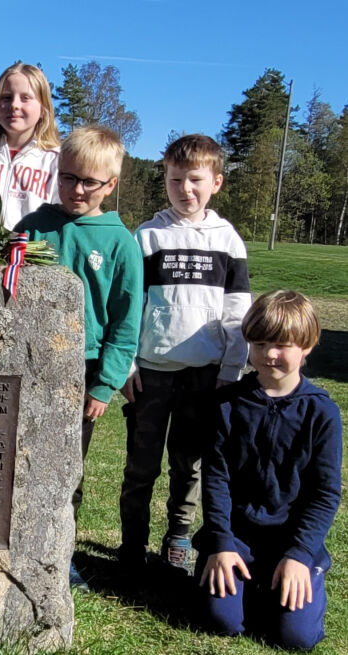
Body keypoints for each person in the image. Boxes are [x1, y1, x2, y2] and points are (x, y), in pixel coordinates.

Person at [15, 125, 143, 590]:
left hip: (83, 369)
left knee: (67, 465)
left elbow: (127, 320)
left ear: (110, 185)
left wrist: (106, 382)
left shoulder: (120, 243)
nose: (76, 189)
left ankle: (58, 555)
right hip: (27, 361)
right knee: (19, 457)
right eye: (67, 177)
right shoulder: (32, 226)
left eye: (89, 181)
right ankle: (16, 543)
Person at [117, 134, 251, 573]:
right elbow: (130, 305)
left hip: (204, 376)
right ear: (166, 181)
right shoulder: (148, 236)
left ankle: (177, 538)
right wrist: (130, 364)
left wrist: (231, 367)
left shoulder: (228, 241)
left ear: (217, 182)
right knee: (141, 465)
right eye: (176, 180)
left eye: (196, 180)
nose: (185, 189)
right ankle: (132, 544)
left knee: (188, 465)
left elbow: (237, 312)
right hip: (151, 373)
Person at [195, 290, 341, 650]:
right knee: (222, 621)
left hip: (289, 539)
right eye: (259, 344)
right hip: (238, 537)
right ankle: (238, 577)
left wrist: (299, 555)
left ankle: (296, 578)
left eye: (282, 345)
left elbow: (325, 494)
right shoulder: (227, 405)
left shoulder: (322, 413)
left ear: (307, 346)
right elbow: (215, 479)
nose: (269, 355)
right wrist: (222, 543)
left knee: (296, 638)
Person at [0, 62, 61, 230]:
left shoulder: (56, 161)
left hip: (30, 253)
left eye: (25, 98)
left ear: (43, 107)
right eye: (6, 97)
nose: (15, 105)